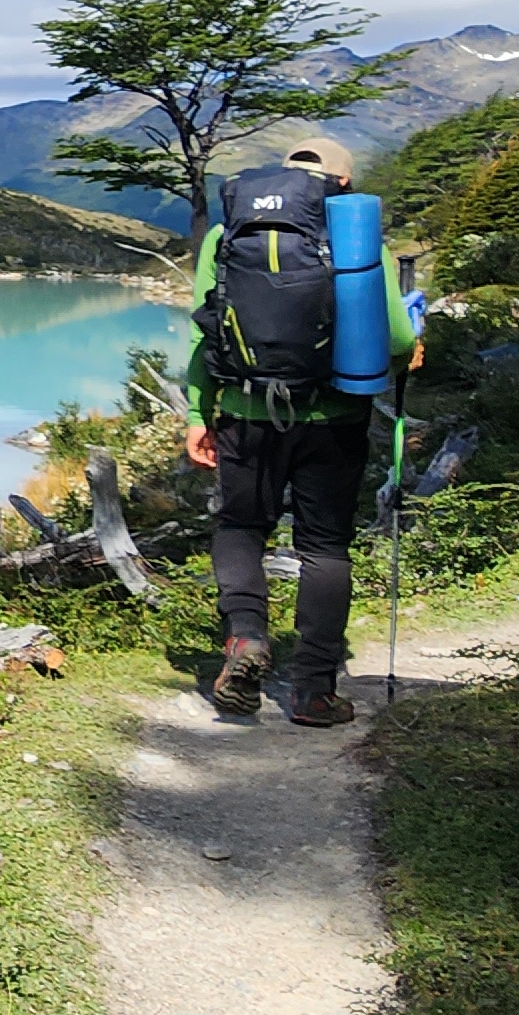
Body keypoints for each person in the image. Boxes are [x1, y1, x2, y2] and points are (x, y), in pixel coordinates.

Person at [176, 136, 421, 727]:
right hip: (333, 418)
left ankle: (245, 638)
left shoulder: (226, 235)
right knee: (325, 546)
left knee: (240, 527)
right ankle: (313, 690)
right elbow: (393, 338)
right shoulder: (360, 240)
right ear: (343, 185)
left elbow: (202, 332)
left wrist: (196, 415)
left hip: (245, 411)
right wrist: (413, 345)